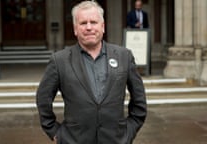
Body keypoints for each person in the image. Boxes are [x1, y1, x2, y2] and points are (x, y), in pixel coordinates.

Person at [36, 1, 147, 144]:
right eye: (83, 23)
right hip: (74, 140)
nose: (89, 27)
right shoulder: (59, 61)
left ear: (103, 26)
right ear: (75, 29)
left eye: (93, 22)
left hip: (116, 140)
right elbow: (43, 99)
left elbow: (139, 100)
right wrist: (55, 132)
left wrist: (129, 131)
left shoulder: (124, 56)